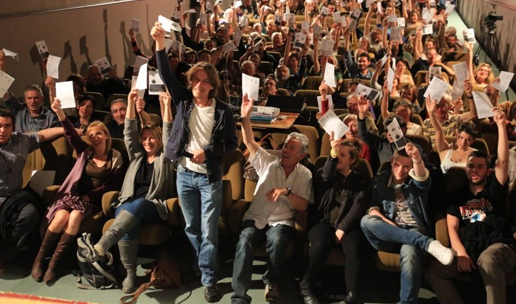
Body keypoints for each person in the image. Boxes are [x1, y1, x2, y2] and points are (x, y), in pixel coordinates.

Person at [151, 22, 238, 302]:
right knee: (190, 227)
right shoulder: (184, 102)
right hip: (184, 174)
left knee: (208, 231)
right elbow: (165, 74)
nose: (199, 85)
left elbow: (232, 145)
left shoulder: (223, 111)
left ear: (212, 84)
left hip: (209, 177)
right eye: (195, 80)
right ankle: (205, 267)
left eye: (204, 81)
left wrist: (209, 151)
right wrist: (159, 44)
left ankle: (209, 279)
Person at [0, 84, 63, 275]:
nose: (2, 130)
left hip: (11, 200)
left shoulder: (21, 140)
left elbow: (42, 135)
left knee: (30, 214)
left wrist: (66, 130)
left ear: (12, 127)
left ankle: (2, 257)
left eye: (7, 126)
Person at [90, 90, 176, 293]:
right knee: (127, 216)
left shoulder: (166, 158)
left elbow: (169, 132)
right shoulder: (137, 156)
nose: (147, 142)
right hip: (129, 206)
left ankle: (104, 243)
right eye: (144, 138)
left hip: (153, 207)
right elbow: (129, 131)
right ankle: (130, 274)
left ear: (159, 140)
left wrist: (166, 106)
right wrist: (129, 102)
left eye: (152, 138)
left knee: (136, 205)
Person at [31, 97, 125, 284]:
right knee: (60, 217)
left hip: (93, 200)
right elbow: (70, 135)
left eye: (98, 134)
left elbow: (114, 185)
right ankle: (40, 259)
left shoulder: (116, 156)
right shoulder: (85, 150)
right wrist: (60, 113)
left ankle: (54, 264)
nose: (94, 138)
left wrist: (90, 195)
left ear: (106, 135)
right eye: (91, 135)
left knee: (74, 217)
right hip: (73, 195)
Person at [426, 110, 515, 304]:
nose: (474, 170)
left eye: (480, 167)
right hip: (468, 250)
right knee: (435, 270)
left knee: (487, 260)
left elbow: (503, 161)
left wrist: (500, 125)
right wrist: (461, 253)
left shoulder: (494, 190)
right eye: (471, 166)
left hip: (497, 247)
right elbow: (452, 227)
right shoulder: (457, 195)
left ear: (488, 171)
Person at [232, 93, 313, 304]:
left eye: (291, 148)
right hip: (256, 216)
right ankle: (239, 295)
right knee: (244, 241)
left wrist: (286, 191)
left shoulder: (305, 174)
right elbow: (249, 141)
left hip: (282, 221)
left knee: (277, 241)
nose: (285, 150)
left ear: (301, 156)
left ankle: (271, 280)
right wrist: (245, 116)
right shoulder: (268, 161)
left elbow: (303, 206)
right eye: (286, 145)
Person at [360, 145, 455, 304]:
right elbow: (372, 208)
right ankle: (427, 243)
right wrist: (388, 223)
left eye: (406, 166)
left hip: (413, 230)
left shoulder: (416, 183)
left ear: (411, 167)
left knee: (410, 251)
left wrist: (417, 158)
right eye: (397, 165)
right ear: (391, 162)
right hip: (387, 234)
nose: (400, 170)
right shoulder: (379, 180)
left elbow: (422, 178)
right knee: (365, 221)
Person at [300, 135, 369, 304]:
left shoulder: (361, 179)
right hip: (324, 221)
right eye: (337, 154)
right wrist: (332, 154)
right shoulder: (326, 172)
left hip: (348, 225)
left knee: (353, 249)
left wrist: (343, 228)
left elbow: (358, 207)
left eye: (343, 155)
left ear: (352, 160)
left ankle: (352, 295)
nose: (338, 157)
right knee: (320, 243)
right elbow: (325, 177)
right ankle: (305, 285)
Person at [426, 96, 477, 174]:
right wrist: (431, 113)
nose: (440, 109)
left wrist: (470, 96)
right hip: (436, 158)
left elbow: (472, 114)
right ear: (457, 136)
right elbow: (438, 131)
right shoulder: (427, 123)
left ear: (449, 106)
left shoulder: (456, 119)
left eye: (443, 105)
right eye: (437, 106)